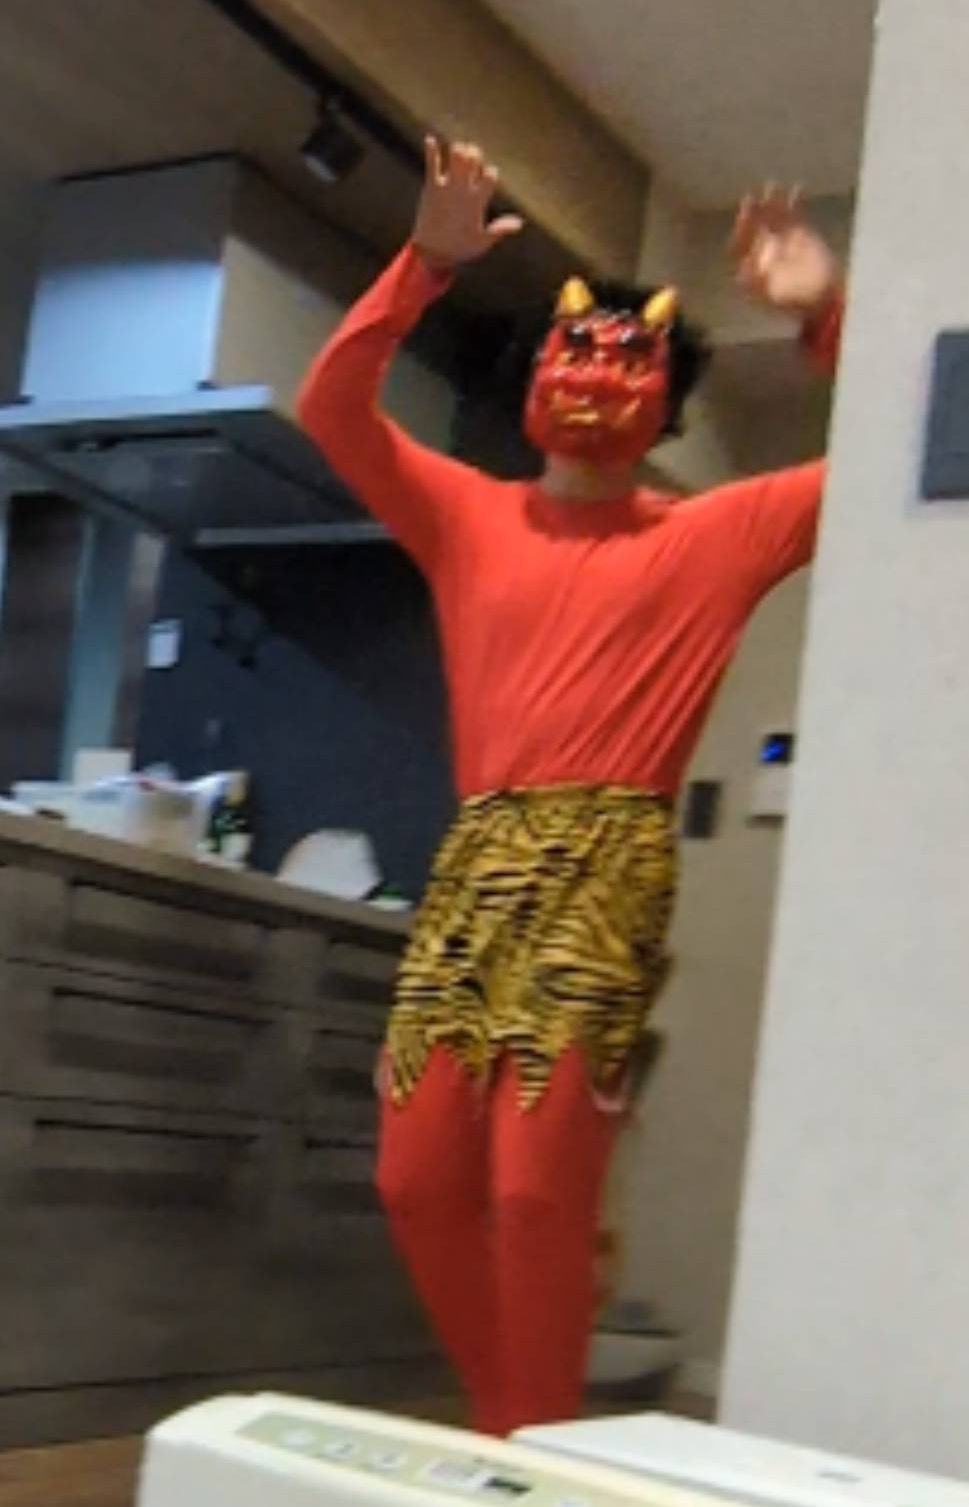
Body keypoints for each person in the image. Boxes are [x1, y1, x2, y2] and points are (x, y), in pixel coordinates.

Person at [296, 141, 844, 1436]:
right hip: (477, 865)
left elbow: (898, 451)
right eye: (572, 350)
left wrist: (825, 312)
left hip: (607, 867)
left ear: (669, 404)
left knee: (539, 1192)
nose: (595, 373)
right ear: (533, 375)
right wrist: (424, 264)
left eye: (629, 359)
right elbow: (333, 409)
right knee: (416, 1178)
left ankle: (529, 1452)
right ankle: (520, 1431)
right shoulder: (464, 513)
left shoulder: (715, 533)